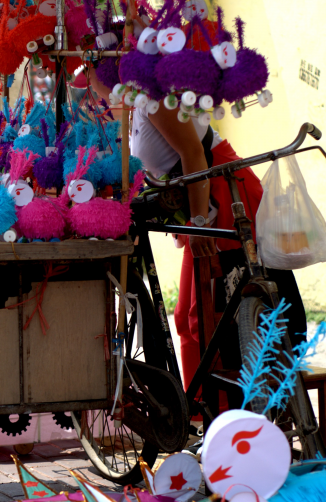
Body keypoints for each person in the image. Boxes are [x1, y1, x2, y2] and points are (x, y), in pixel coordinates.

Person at [85, 58, 306, 404]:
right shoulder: (134, 105)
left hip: (222, 198)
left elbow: (193, 153)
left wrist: (200, 222)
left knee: (216, 317)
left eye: (89, 73)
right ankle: (205, 411)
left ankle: (229, 414)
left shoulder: (150, 96)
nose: (87, 84)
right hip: (201, 204)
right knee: (189, 317)